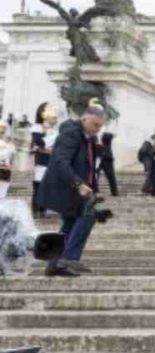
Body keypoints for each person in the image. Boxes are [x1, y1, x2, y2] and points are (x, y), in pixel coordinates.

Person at [36, 99, 106, 277]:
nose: (97, 129)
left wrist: (92, 187)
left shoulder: (88, 137)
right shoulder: (71, 133)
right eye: (95, 124)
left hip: (79, 188)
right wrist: (78, 184)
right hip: (67, 187)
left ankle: (54, 264)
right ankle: (69, 259)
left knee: (69, 224)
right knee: (87, 216)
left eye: (100, 126)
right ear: (85, 118)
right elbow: (61, 162)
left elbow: (88, 165)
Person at [30, 102, 59, 217]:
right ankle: (37, 208)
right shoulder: (37, 127)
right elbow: (38, 143)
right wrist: (48, 141)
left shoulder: (55, 129)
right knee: (39, 183)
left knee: (49, 184)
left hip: (51, 159)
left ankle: (45, 207)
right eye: (48, 108)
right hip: (42, 160)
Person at [96, 129, 119, 197]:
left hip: (102, 157)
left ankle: (95, 190)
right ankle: (114, 192)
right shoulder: (106, 143)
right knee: (111, 177)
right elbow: (110, 136)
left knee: (96, 175)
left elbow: (109, 136)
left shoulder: (104, 141)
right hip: (106, 158)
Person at [0, 124, 14, 199]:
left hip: (5, 172)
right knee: (2, 196)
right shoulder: (9, 146)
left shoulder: (9, 145)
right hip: (5, 172)